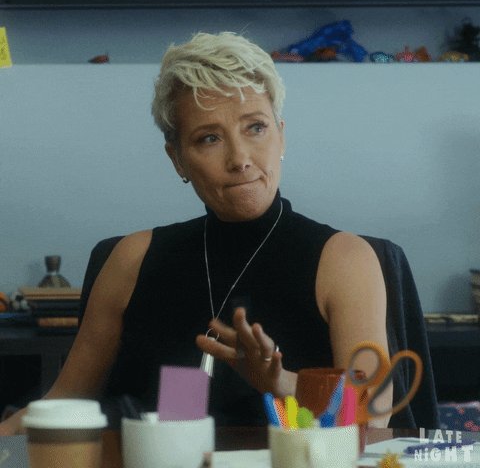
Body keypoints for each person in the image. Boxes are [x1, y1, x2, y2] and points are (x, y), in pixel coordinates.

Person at [0, 31, 392, 434]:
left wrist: (281, 384)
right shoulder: (133, 258)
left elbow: (374, 411)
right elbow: (64, 402)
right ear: (178, 160)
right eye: (209, 138)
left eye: (255, 128)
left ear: (281, 135)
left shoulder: (343, 258)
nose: (240, 159)